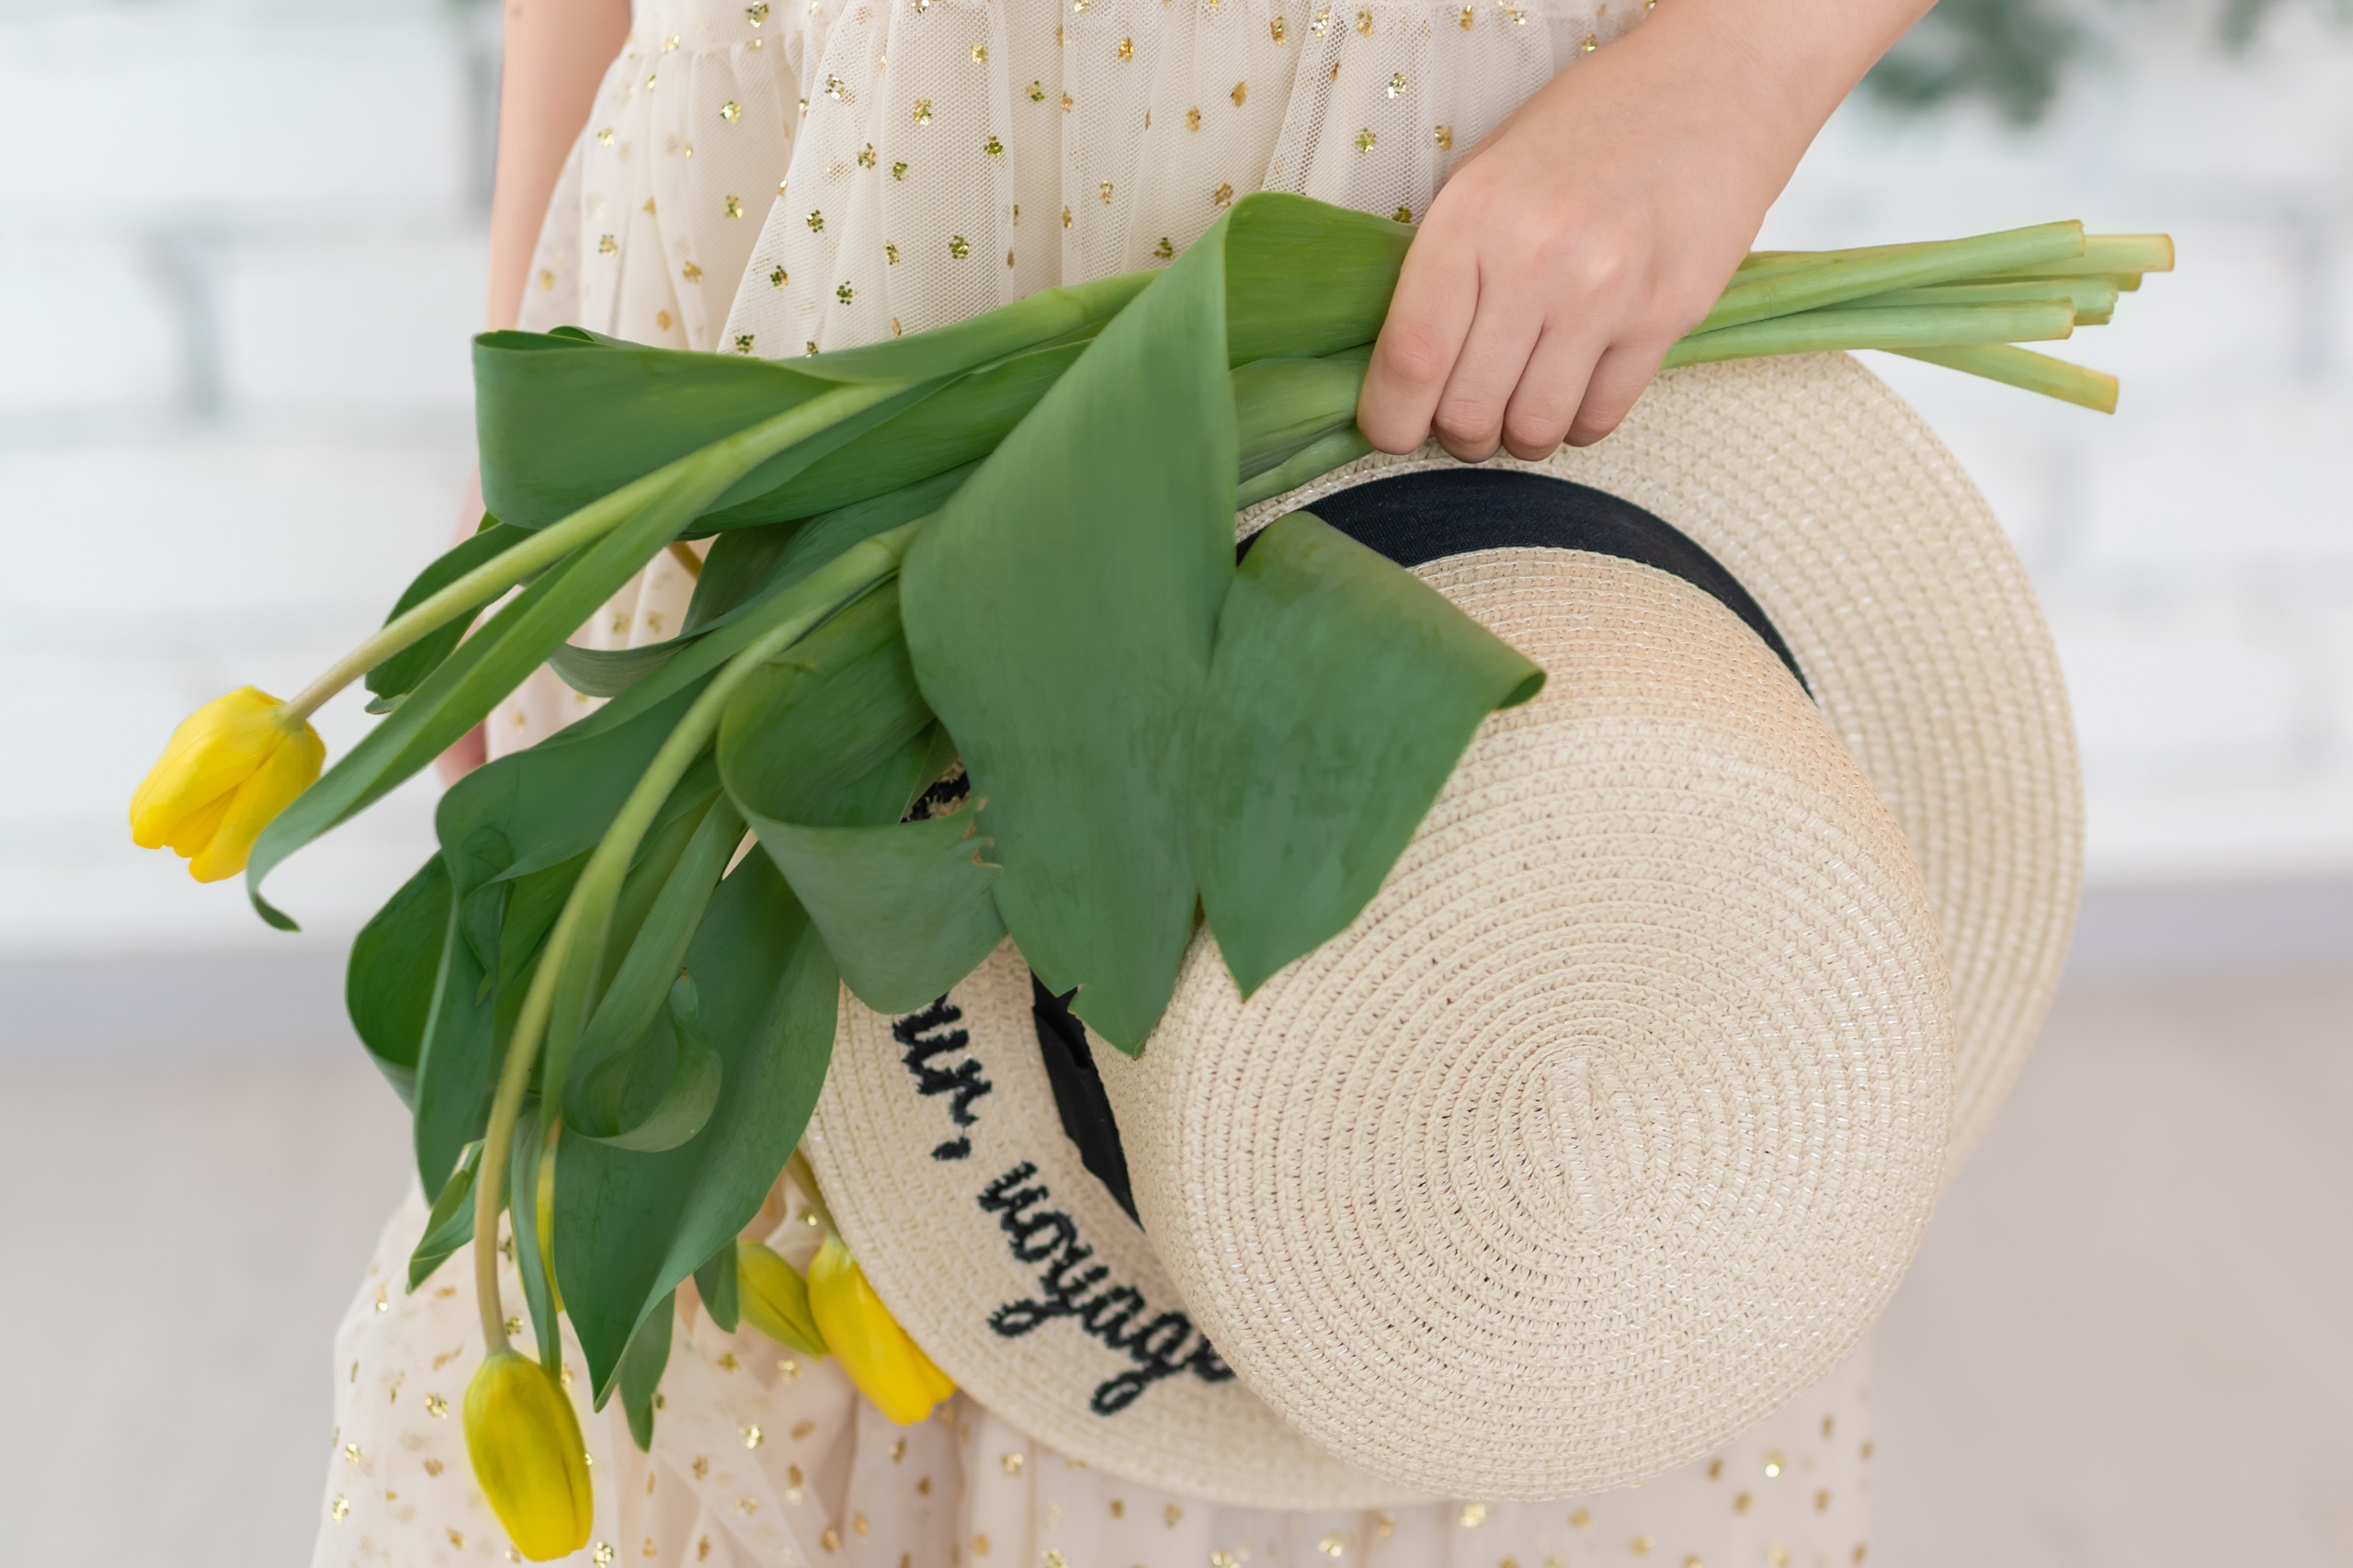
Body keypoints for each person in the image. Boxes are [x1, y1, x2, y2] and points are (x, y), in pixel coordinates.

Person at [324, 0, 1939, 1560]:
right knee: (775, 1239)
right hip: (781, 219)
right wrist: (532, 409)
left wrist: (1745, 60)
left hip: (1415, 204)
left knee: (1431, 1192)